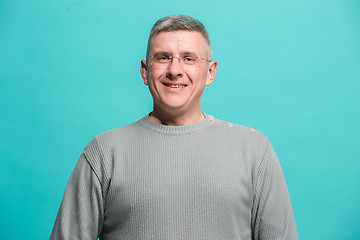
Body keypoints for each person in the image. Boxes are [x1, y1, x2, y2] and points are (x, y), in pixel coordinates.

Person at [50, 14, 298, 240]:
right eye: (163, 57)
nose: (175, 70)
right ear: (145, 71)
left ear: (210, 72)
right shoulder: (104, 152)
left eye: (189, 59)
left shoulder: (254, 150)